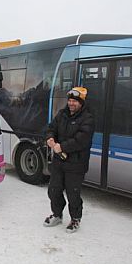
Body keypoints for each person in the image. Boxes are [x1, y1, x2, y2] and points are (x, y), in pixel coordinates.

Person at [43, 87, 94, 233]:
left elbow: (81, 140)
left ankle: (75, 219)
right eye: (70, 101)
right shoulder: (62, 114)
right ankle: (57, 215)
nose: (71, 104)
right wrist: (50, 138)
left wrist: (61, 147)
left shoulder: (88, 119)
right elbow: (51, 128)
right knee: (54, 190)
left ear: (81, 103)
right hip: (59, 162)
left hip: (76, 164)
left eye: (75, 101)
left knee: (73, 193)